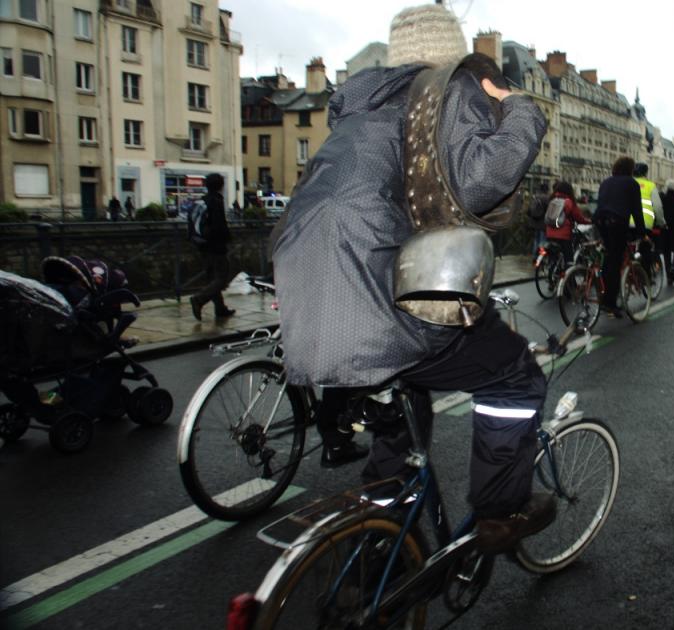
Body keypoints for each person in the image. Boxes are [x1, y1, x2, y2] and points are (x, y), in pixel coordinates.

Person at [273, 3, 554, 552]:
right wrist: (521, 111)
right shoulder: (448, 92)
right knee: (515, 378)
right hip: (379, 299)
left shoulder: (357, 113)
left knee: (401, 393)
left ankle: (376, 539)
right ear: (452, 51)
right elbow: (480, 183)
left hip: (313, 307)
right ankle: (500, 509)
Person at [593, 157, 646, 318]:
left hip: (600, 221)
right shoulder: (632, 183)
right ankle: (609, 303)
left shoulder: (606, 182)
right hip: (617, 222)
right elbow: (637, 211)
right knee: (615, 262)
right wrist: (641, 233)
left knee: (609, 258)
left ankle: (602, 289)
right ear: (630, 169)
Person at [189, 173, 236, 321]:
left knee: (212, 278)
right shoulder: (216, 201)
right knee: (222, 278)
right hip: (216, 246)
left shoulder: (203, 201)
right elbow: (219, 225)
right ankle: (199, 299)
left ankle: (220, 308)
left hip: (203, 246)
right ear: (221, 186)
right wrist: (227, 238)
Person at [545, 180, 592, 263]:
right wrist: (589, 221)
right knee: (568, 258)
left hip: (549, 233)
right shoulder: (569, 202)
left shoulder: (552, 199)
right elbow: (579, 218)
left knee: (553, 255)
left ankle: (551, 269)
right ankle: (567, 274)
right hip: (563, 236)